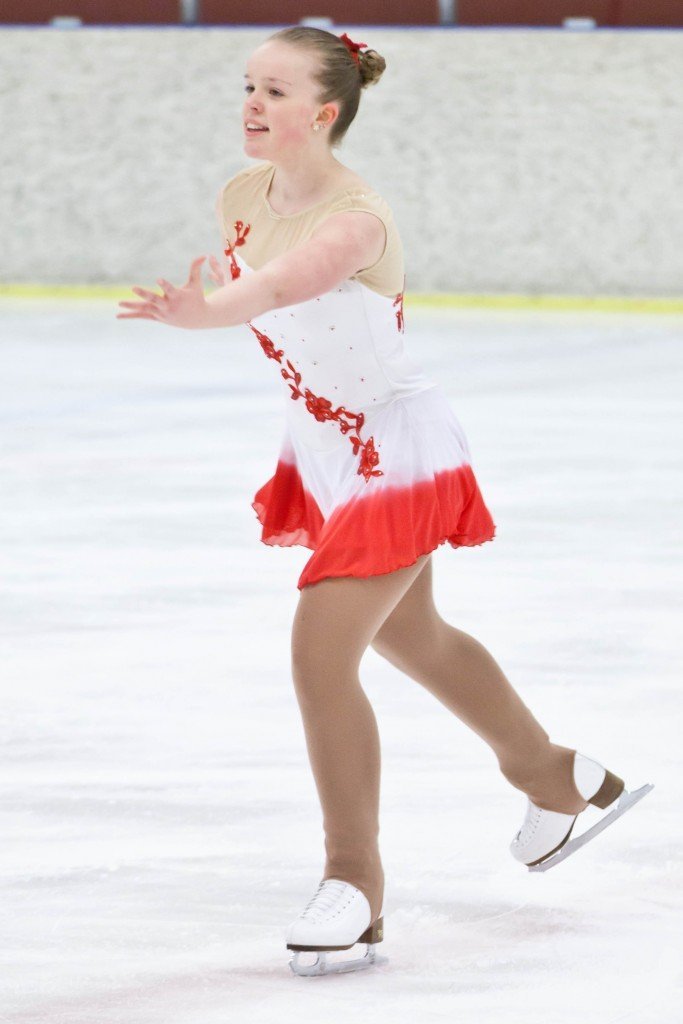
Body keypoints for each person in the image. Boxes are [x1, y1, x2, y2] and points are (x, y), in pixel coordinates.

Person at [116, 26, 651, 979]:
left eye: (275, 91)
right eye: (248, 85)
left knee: (320, 655)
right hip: (325, 446)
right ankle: (553, 774)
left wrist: (207, 312)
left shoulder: (357, 220)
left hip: (396, 452)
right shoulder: (240, 194)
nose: (251, 103)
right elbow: (268, 292)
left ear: (324, 112)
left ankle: (352, 880)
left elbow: (285, 284)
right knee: (418, 638)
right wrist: (218, 306)